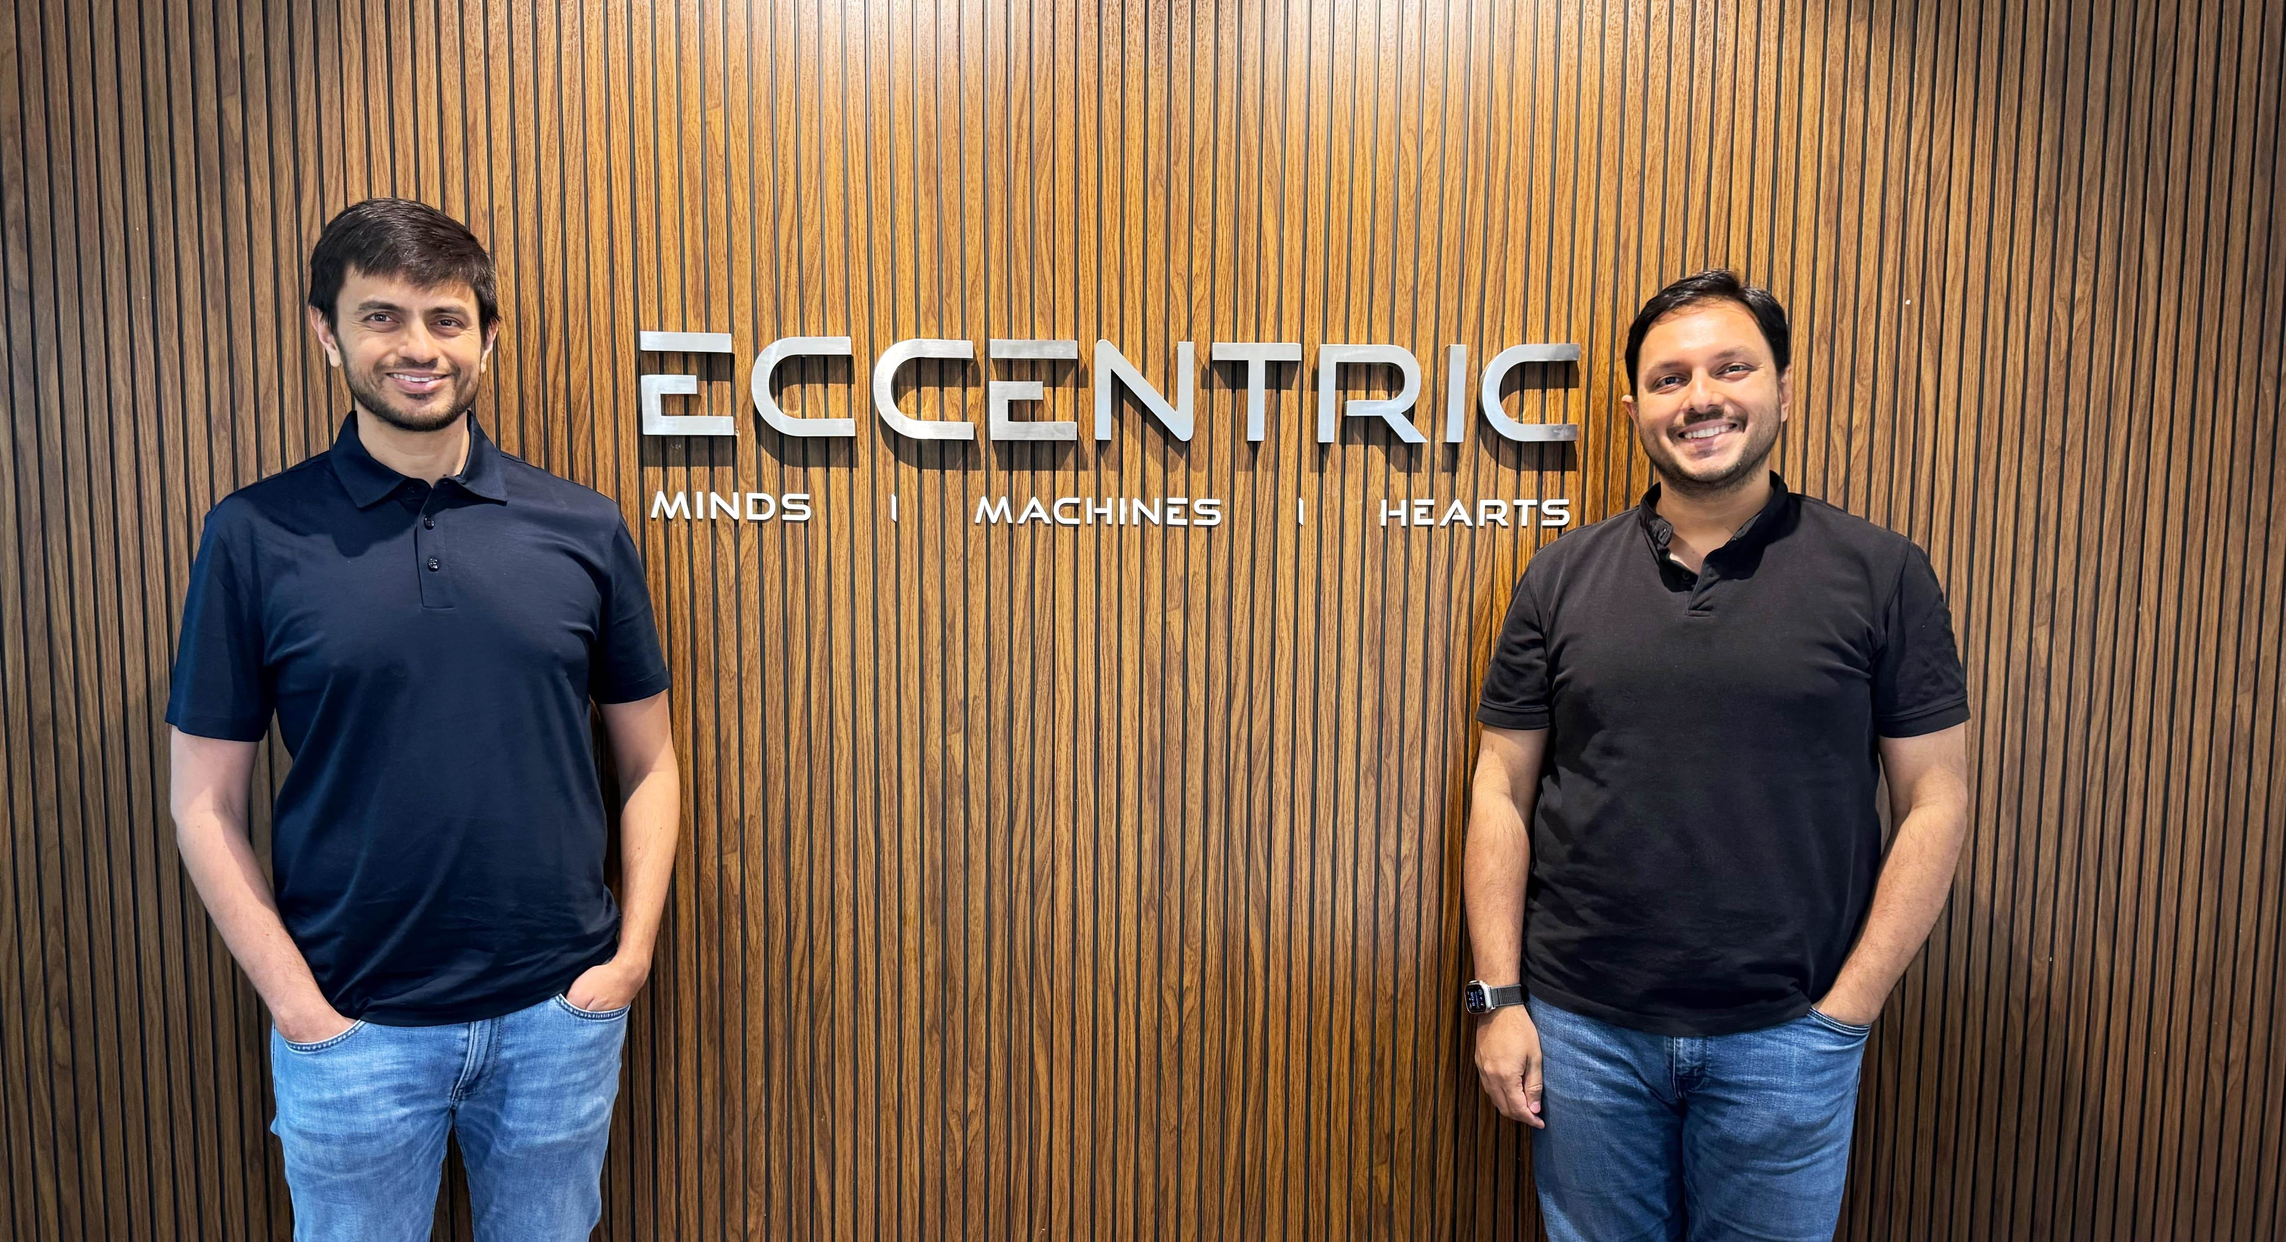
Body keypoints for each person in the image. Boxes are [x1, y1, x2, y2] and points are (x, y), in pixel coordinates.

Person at [165, 197, 679, 1241]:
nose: (418, 348)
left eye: (446, 319)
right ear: (327, 333)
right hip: (352, 1030)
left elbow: (651, 763)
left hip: (557, 1021)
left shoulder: (583, 527)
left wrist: (625, 965)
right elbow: (203, 804)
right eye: (382, 317)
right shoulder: (254, 535)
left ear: (488, 338)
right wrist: (302, 1010)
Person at [1461, 269, 1972, 1241]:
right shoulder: (1559, 578)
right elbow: (1501, 786)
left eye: (1731, 368)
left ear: (1784, 387)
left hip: (1789, 1037)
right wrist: (1500, 1000)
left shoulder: (1881, 574)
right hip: (1582, 1035)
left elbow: (1935, 799)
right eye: (1670, 379)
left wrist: (1845, 1015)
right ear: (1633, 412)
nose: (1700, 398)